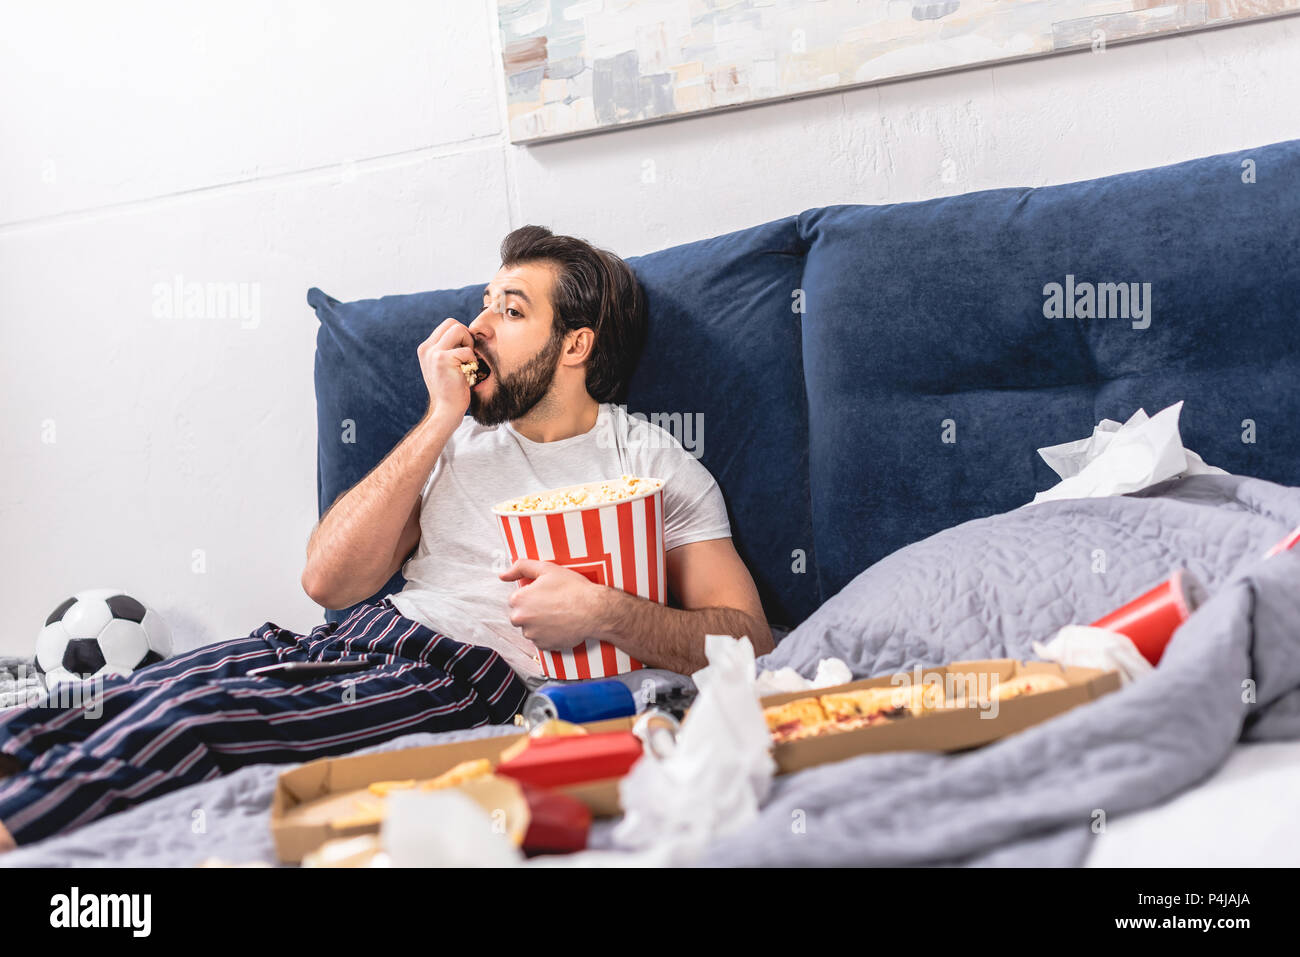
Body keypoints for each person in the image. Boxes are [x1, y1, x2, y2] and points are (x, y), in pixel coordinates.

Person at [0, 225, 773, 851]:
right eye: (484, 303)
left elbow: (749, 639)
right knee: (117, 696)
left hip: (461, 676)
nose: (477, 325)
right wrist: (439, 418)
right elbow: (327, 583)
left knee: (194, 720)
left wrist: (606, 610)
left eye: (510, 309)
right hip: (345, 640)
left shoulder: (651, 461)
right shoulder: (454, 438)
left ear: (575, 344)